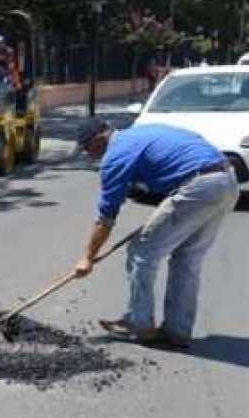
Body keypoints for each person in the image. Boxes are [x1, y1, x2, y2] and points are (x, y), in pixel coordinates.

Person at [72, 118, 239, 349]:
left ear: (99, 139)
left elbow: (106, 217)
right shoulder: (138, 135)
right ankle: (176, 331)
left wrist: (87, 258)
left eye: (87, 149)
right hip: (226, 181)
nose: (88, 155)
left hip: (199, 187)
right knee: (187, 259)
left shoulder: (115, 156)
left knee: (142, 252)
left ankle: (139, 322)